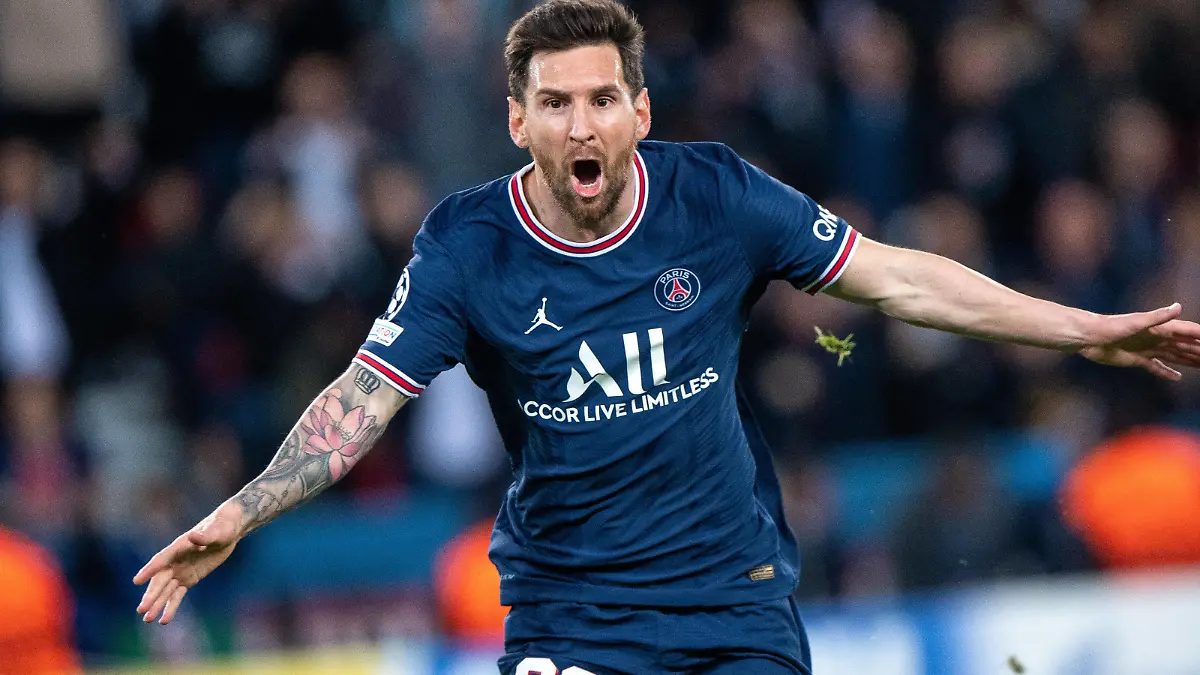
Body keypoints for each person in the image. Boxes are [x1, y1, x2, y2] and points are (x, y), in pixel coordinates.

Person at [134, 1, 1200, 673]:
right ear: (518, 122)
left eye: (604, 99)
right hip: (574, 617)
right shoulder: (467, 244)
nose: (582, 125)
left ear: (641, 110)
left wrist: (1081, 331)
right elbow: (358, 402)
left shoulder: (718, 196)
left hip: (734, 602)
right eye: (556, 104)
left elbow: (898, 278)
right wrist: (244, 508)